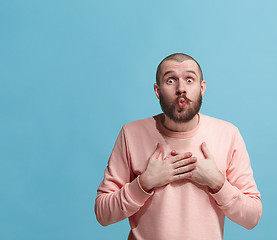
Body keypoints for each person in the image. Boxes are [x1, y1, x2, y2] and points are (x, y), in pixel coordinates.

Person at [95, 53, 262, 240]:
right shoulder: (131, 134)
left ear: (202, 88)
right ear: (157, 91)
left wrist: (218, 183)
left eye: (189, 80)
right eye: (171, 80)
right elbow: (103, 214)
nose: (181, 88)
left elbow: (252, 217)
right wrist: (144, 183)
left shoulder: (228, 134)